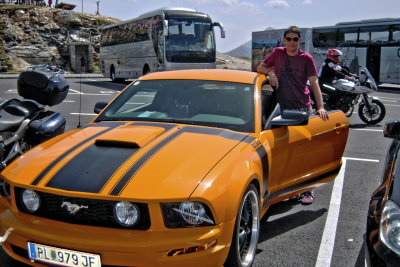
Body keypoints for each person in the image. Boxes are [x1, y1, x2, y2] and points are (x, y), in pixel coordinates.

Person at [257, 25, 328, 205]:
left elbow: (314, 83)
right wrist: (271, 72)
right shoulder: (278, 53)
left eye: (295, 39)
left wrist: (320, 107)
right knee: (285, 150)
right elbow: (260, 67)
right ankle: (287, 187)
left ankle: (307, 191)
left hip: (302, 108)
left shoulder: (307, 58)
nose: (291, 42)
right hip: (281, 109)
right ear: (284, 40)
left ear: (300, 41)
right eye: (288, 39)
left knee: (304, 150)